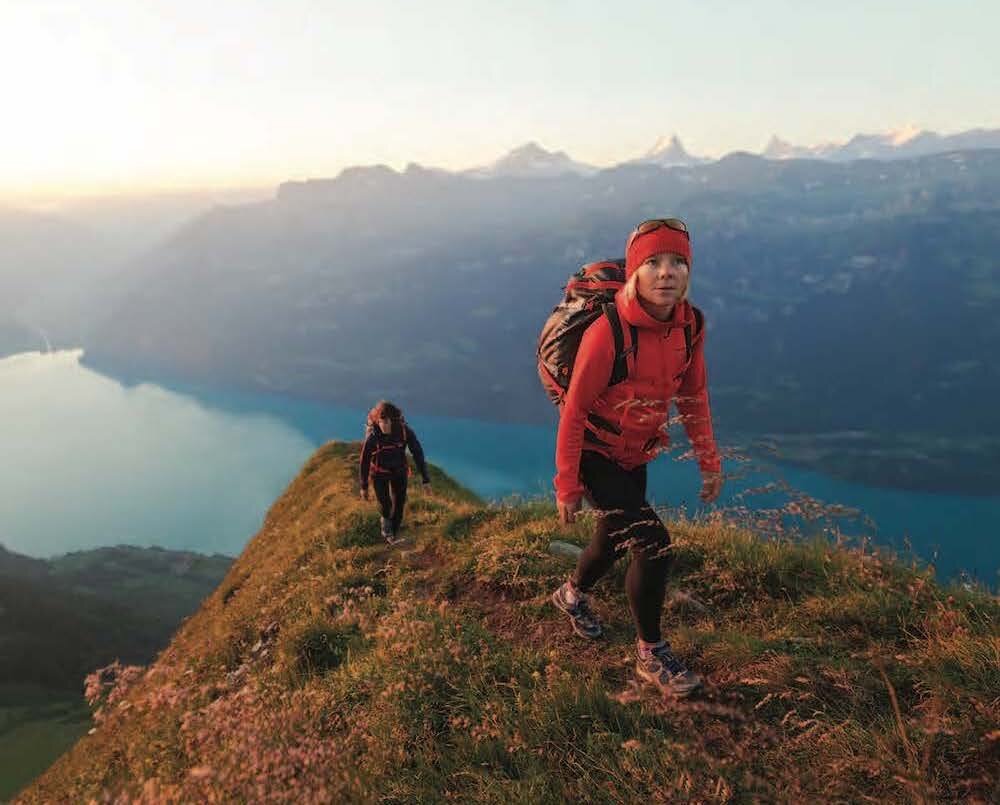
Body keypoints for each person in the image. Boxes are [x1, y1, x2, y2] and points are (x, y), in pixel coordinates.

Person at [550, 218, 723, 697]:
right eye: (653, 262)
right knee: (654, 544)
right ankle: (651, 653)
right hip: (594, 453)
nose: (667, 272)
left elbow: (694, 396)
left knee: (612, 542)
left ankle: (571, 595)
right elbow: (575, 410)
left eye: (678, 262)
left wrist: (709, 460)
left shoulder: (690, 325)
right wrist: (567, 484)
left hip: (636, 452)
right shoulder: (608, 331)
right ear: (634, 274)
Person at [358, 401, 430, 544]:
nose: (384, 425)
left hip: (399, 471)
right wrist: (364, 486)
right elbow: (364, 461)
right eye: (381, 421)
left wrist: (426, 480)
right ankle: (386, 527)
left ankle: (393, 534)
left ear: (394, 421)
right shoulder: (373, 436)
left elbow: (418, 453)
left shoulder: (405, 431)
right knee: (385, 504)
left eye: (387, 421)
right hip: (379, 473)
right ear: (377, 421)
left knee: (399, 504)